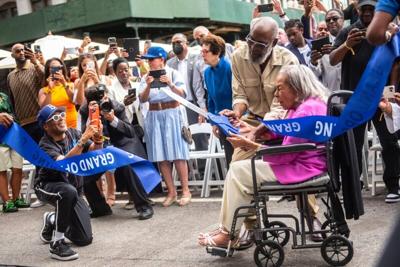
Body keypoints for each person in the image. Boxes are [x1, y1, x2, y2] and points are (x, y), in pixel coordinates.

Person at [198, 65, 329, 247]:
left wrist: (249, 144)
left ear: (297, 88)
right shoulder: (308, 104)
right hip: (306, 163)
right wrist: (254, 131)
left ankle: (228, 232)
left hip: (303, 168)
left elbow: (286, 154)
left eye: (280, 88)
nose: (276, 94)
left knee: (238, 171)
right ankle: (227, 230)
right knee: (239, 170)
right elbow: (291, 136)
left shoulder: (306, 110)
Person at [330, 0, 400, 203]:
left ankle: (393, 185)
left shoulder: (386, 30)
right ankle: (352, 186)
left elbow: (396, 62)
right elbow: (333, 59)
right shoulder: (347, 32)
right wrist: (347, 44)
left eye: (372, 8)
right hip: (354, 99)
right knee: (353, 145)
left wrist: (390, 93)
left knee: (389, 142)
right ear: (357, 10)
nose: (368, 12)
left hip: (380, 98)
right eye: (364, 9)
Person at [35, 104, 103, 261]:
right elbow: (63, 165)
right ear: (46, 126)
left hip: (74, 189)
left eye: (62, 115)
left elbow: (92, 151)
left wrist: (98, 141)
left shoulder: (73, 133)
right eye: (56, 117)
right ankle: (57, 244)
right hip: (47, 186)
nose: (61, 119)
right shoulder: (44, 145)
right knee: (67, 192)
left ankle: (52, 219)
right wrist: (84, 138)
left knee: (85, 239)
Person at [80, 84, 154, 219]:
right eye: (94, 102)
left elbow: (130, 132)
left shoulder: (115, 106)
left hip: (122, 145)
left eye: (101, 100)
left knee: (127, 166)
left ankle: (144, 206)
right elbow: (82, 137)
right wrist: (91, 124)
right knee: (87, 175)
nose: (99, 104)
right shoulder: (85, 110)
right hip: (101, 147)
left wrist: (112, 119)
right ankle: (100, 208)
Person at [138, 46, 191, 207]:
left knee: (178, 154)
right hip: (155, 114)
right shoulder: (145, 77)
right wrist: (147, 85)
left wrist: (170, 84)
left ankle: (186, 190)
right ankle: (171, 191)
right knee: (161, 156)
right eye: (148, 60)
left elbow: (183, 94)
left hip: (172, 112)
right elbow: (142, 99)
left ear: (161, 59)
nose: (149, 62)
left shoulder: (173, 73)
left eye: (151, 59)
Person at [201, 34, 234, 167]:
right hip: (221, 121)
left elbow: (238, 95)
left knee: (237, 158)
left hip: (236, 120)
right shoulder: (207, 72)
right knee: (229, 158)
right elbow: (211, 99)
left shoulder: (229, 67)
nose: (202, 55)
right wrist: (213, 122)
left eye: (206, 51)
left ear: (217, 52)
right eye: (201, 51)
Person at [7, 43, 44, 143]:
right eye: (18, 51)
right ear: (12, 55)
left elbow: (46, 81)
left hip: (40, 121)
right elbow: (12, 101)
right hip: (23, 125)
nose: (22, 53)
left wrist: (36, 62)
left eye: (23, 50)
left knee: (46, 154)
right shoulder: (10, 76)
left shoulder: (34, 67)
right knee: (30, 158)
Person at [38, 58, 83, 128]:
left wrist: (64, 84)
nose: (57, 70)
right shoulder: (43, 90)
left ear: (63, 69)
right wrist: (50, 89)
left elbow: (75, 102)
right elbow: (45, 109)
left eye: (59, 67)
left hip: (74, 125)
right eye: (53, 67)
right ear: (48, 70)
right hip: (56, 128)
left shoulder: (71, 85)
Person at [309, 9, 345, 91]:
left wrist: (336, 52)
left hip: (351, 93)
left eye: (335, 18)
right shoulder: (321, 44)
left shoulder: (351, 39)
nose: (331, 21)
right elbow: (315, 75)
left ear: (342, 20)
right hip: (331, 95)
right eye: (328, 20)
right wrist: (313, 63)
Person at [0, 94, 25, 212]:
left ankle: (16, 199)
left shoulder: (4, 96)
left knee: (18, 168)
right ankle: (7, 202)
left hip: (13, 136)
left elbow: (14, 112)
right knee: (1, 170)